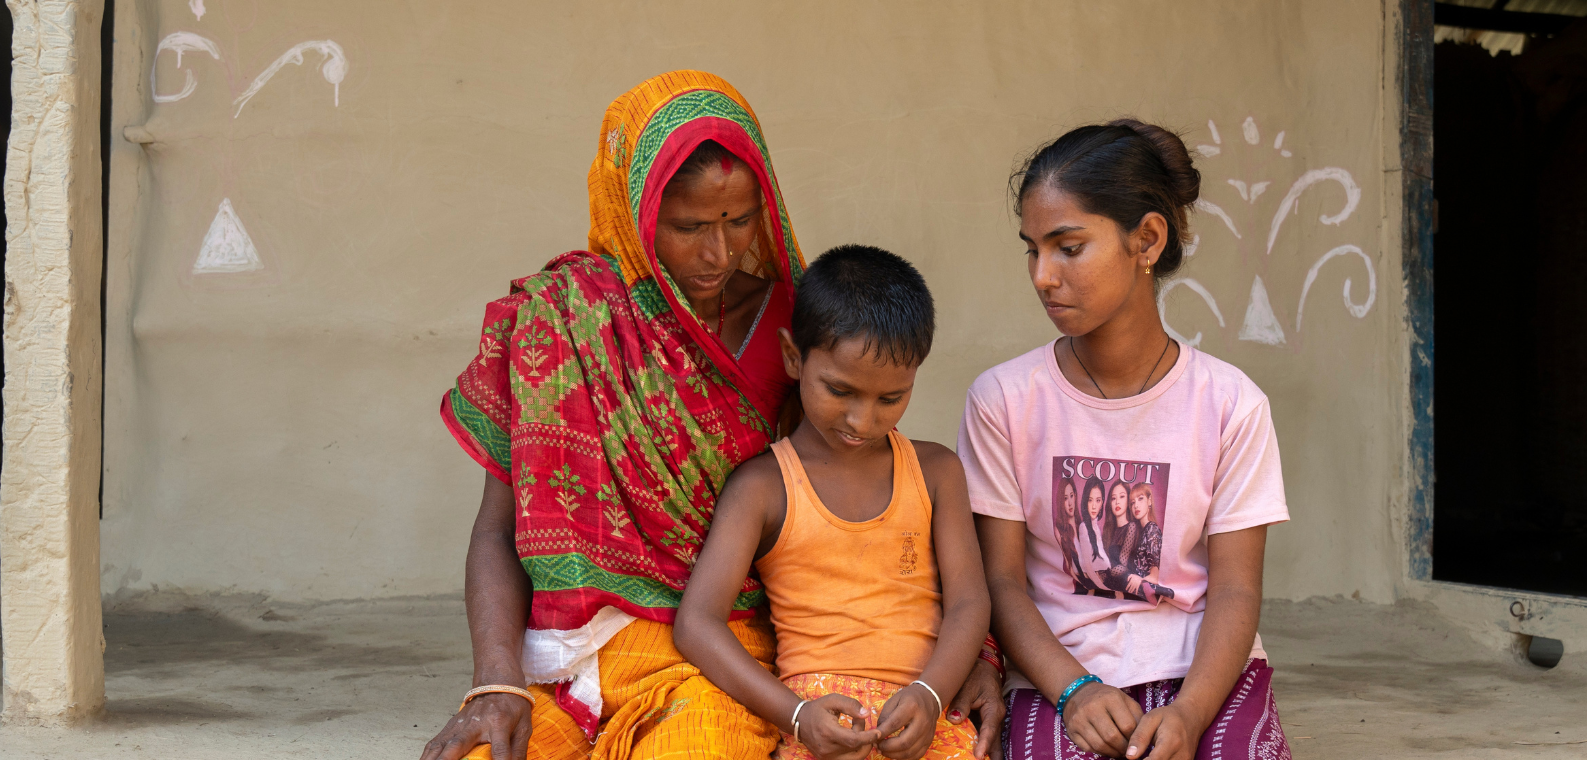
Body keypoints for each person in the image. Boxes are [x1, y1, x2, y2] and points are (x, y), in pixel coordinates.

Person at [422, 72, 1002, 760]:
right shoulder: (561, 319)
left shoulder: (802, 323)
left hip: (727, 656)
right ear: (633, 209)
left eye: (739, 221)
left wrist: (969, 660)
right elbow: (497, 528)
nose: (717, 254)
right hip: (566, 664)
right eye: (689, 226)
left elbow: (873, 527)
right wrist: (495, 683)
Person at [958, 119, 1293, 760]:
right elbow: (1001, 582)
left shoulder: (1230, 405)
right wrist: (1074, 690)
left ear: (1146, 239)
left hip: (1204, 667)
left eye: (1068, 247)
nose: (1042, 276)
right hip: (1062, 668)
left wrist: (1192, 714)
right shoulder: (1005, 399)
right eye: (1033, 249)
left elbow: (1234, 589)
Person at [675, 246, 994, 760]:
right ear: (793, 357)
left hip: (924, 720)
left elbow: (969, 603)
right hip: (813, 723)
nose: (862, 421)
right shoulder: (763, 487)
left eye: (891, 398)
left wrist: (931, 696)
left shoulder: (935, 473)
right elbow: (697, 624)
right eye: (840, 390)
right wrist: (796, 716)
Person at [1125, 483, 1174, 604]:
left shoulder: (1152, 530)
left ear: (1149, 501)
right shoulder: (1141, 531)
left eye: (1140, 499)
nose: (1136, 505)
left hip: (1147, 593)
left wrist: (1140, 579)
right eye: (1132, 502)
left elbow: (1154, 577)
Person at [1100, 481, 1144, 602]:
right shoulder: (1109, 530)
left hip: (1125, 583)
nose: (1117, 502)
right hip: (1111, 583)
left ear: (1128, 500)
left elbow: (1123, 565)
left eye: (1122, 496)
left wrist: (1103, 575)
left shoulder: (1132, 526)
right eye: (1113, 498)